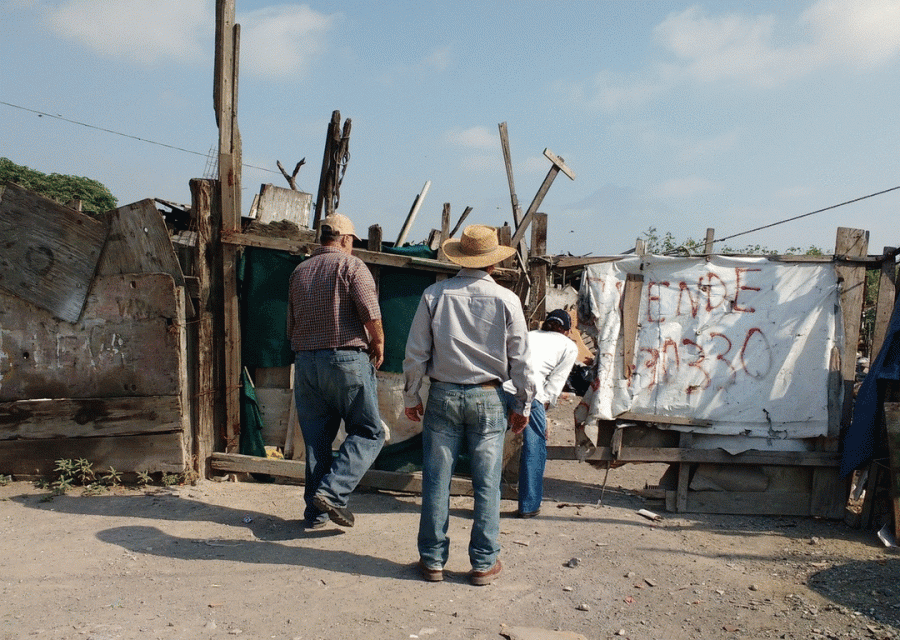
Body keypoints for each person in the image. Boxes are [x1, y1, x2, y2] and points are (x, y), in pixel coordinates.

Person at [403, 224, 535, 586]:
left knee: (436, 480)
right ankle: (483, 563)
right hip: (490, 396)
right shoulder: (507, 300)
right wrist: (522, 404)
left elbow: (416, 353)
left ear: (460, 257)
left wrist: (411, 396)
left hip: (443, 394)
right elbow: (521, 359)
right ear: (493, 263)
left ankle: (432, 561)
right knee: (487, 484)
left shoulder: (434, 294)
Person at [287, 213, 386, 529]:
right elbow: (370, 314)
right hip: (344, 359)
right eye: (353, 242)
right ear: (345, 239)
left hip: (305, 363)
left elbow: (291, 325)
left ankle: (315, 514)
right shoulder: (352, 266)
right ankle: (333, 492)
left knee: (317, 439)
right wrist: (379, 344)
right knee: (369, 431)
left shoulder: (299, 272)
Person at [503, 308, 579, 518]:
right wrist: (541, 417)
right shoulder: (569, 346)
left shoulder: (529, 334)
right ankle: (528, 505)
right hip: (531, 393)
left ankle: (486, 499)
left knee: (490, 440)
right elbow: (554, 386)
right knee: (535, 446)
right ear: (566, 330)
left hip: (504, 387)